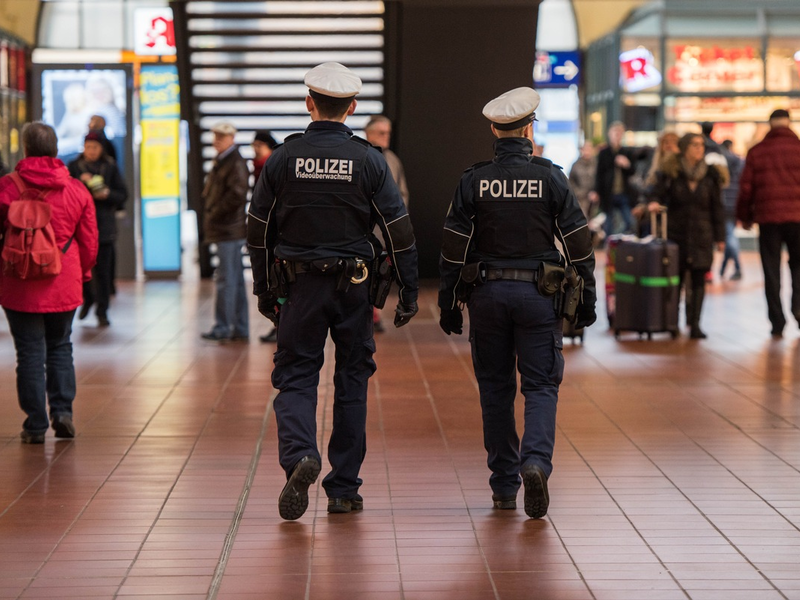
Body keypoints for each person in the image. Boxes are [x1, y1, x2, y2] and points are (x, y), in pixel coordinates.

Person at [247, 62, 419, 520]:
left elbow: (258, 228)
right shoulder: (369, 160)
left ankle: (301, 455)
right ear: (353, 108)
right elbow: (398, 229)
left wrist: (264, 288)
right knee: (352, 380)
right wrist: (409, 288)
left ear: (309, 103)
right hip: (355, 287)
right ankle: (343, 489)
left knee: (297, 374)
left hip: (298, 286)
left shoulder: (284, 159)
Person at [438, 87, 596, 519]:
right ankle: (535, 462)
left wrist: (449, 301)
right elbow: (579, 243)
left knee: (495, 389)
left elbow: (453, 248)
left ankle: (504, 486)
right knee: (541, 385)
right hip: (538, 296)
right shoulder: (550, 177)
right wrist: (588, 298)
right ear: (529, 128)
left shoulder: (474, 179)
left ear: (494, 129)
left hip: (487, 295)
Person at [0, 122, 98, 443]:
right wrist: (82, 274)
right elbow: (89, 240)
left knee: (28, 353)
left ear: (25, 149)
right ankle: (62, 412)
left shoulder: (7, 188)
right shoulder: (76, 189)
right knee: (60, 346)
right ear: (55, 149)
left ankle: (35, 425)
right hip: (63, 279)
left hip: (19, 282)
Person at [648, 133, 726, 339]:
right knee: (676, 279)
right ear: (684, 148)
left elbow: (717, 208)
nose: (699, 149)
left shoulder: (711, 174)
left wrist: (720, 237)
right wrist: (654, 202)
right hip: (677, 234)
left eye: (701, 145)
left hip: (703, 235)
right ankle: (673, 321)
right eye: (694, 145)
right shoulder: (671, 172)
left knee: (699, 279)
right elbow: (656, 193)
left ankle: (695, 323)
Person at [737, 109, 800, 339]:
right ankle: (799, 308)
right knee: (799, 266)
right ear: (789, 124)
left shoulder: (757, 151)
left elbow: (746, 189)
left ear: (770, 125)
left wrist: (744, 216)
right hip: (797, 218)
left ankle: (777, 321)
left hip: (768, 219)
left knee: (771, 270)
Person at [67, 130, 127, 327]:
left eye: (94, 147)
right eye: (87, 146)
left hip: (104, 227)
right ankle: (87, 299)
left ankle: (103, 311)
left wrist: (107, 194)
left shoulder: (109, 166)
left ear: (101, 148)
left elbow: (122, 194)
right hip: (79, 227)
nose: (91, 151)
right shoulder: (74, 167)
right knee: (81, 269)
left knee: (103, 271)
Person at [200, 121, 250, 342]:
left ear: (232, 138)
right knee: (234, 280)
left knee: (226, 281)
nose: (217, 140)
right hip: (228, 229)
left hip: (228, 230)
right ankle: (239, 327)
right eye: (215, 135)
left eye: (222, 136)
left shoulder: (233, 163)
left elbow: (236, 196)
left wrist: (214, 213)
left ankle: (223, 327)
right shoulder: (224, 161)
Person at [364, 115, 410, 332]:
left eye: (388, 132)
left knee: (380, 274)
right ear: (369, 133)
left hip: (385, 231)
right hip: (364, 231)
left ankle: (374, 314)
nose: (386, 137)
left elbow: (402, 194)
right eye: (381, 133)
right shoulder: (362, 156)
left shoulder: (392, 159)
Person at [250, 130, 280, 344]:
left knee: (276, 281)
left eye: (259, 146)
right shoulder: (258, 168)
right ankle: (279, 324)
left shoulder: (271, 168)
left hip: (274, 234)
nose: (256, 151)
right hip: (267, 232)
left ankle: (281, 325)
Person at [593, 121, 638, 238]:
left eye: (620, 133)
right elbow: (599, 174)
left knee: (630, 222)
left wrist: (627, 164)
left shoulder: (627, 152)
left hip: (624, 193)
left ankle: (621, 243)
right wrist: (596, 191)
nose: (617, 135)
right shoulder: (604, 153)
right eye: (615, 132)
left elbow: (633, 171)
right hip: (608, 193)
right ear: (610, 134)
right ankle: (610, 249)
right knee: (609, 225)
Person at [719, 139, 744, 281]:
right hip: (735, 204)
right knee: (729, 236)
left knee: (729, 237)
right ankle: (724, 268)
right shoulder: (740, 162)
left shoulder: (721, 162)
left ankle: (738, 267)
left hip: (723, 204)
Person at [568, 141, 597, 219]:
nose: (587, 151)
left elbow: (600, 179)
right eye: (585, 149)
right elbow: (571, 182)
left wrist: (596, 192)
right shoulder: (576, 165)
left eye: (589, 149)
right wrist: (579, 193)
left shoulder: (597, 163)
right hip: (580, 198)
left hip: (595, 198)